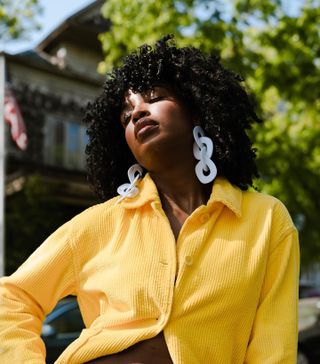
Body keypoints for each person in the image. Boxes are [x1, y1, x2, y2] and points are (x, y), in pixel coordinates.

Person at [0, 35, 299, 363]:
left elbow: (274, 350)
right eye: (127, 116)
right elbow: (12, 298)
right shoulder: (100, 222)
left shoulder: (267, 219)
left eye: (154, 98)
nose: (138, 112)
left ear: (197, 111)